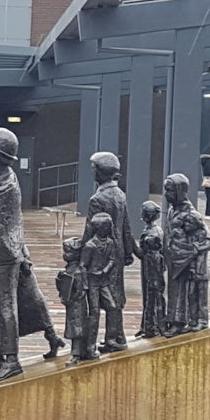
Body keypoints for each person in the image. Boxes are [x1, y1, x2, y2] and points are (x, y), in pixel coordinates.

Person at [0, 127, 63, 381]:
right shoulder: (0, 179)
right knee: (4, 303)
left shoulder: (5, 184)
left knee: (5, 305)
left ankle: (11, 359)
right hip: (7, 250)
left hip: (5, 253)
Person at [81, 152, 136, 353]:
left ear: (101, 172)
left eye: (94, 168)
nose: (92, 171)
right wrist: (129, 251)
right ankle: (116, 336)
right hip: (118, 252)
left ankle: (112, 339)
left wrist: (80, 255)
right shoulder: (120, 194)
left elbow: (89, 230)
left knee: (105, 297)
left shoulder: (98, 198)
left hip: (101, 257)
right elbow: (126, 226)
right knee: (116, 295)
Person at [78, 212, 117, 364]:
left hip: (104, 282)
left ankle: (110, 340)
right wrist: (86, 285)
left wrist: (106, 270)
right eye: (107, 226)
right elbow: (82, 266)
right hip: (93, 283)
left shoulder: (110, 243)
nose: (109, 228)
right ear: (99, 228)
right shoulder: (90, 245)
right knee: (94, 314)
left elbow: (113, 259)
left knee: (112, 308)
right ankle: (90, 346)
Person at [163, 173, 195, 337]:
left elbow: (202, 239)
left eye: (169, 190)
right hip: (172, 259)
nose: (166, 194)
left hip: (183, 260)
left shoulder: (190, 214)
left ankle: (179, 321)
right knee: (173, 290)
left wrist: (187, 255)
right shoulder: (171, 210)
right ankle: (172, 318)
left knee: (181, 292)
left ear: (179, 191)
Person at [134, 201, 166, 339]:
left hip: (150, 268)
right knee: (151, 297)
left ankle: (151, 326)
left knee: (150, 297)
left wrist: (130, 243)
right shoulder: (157, 229)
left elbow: (141, 253)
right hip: (154, 267)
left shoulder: (150, 233)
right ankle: (148, 325)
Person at [56, 237, 89, 364]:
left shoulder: (79, 271)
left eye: (68, 252)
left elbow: (82, 290)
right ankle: (77, 351)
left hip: (77, 306)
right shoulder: (67, 270)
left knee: (77, 329)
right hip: (71, 305)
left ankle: (76, 353)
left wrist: (71, 298)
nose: (65, 255)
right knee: (73, 328)